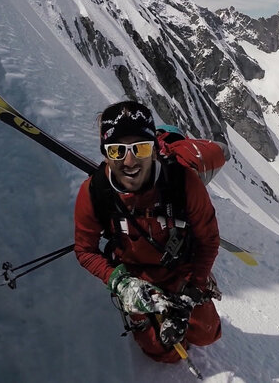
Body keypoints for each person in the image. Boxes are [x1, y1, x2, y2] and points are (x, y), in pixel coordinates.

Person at [73, 100, 222, 363]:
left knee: (206, 333)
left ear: (154, 151)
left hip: (181, 268)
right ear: (106, 155)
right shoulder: (94, 192)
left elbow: (208, 241)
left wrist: (192, 291)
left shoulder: (183, 182)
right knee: (163, 352)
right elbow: (85, 250)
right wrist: (121, 282)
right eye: (117, 150)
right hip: (135, 274)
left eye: (140, 148)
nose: (129, 161)